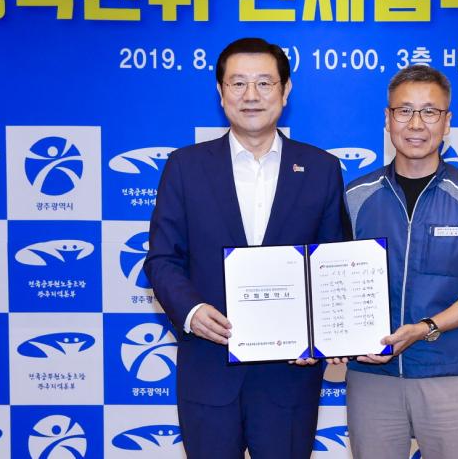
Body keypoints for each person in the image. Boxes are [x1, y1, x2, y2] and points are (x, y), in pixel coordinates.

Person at [144, 37, 347, 459]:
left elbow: (333, 264)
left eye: (264, 83)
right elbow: (162, 259)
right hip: (209, 366)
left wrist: (321, 336)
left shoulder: (321, 168)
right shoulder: (185, 167)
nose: (251, 95)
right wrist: (192, 312)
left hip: (289, 375)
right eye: (238, 84)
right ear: (221, 93)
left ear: (285, 91)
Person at [343, 65, 458, 459]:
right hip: (373, 375)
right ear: (387, 119)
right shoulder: (355, 196)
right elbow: (333, 281)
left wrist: (425, 328)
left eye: (429, 112)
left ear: (447, 122)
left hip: (449, 373)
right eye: (404, 111)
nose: (416, 124)